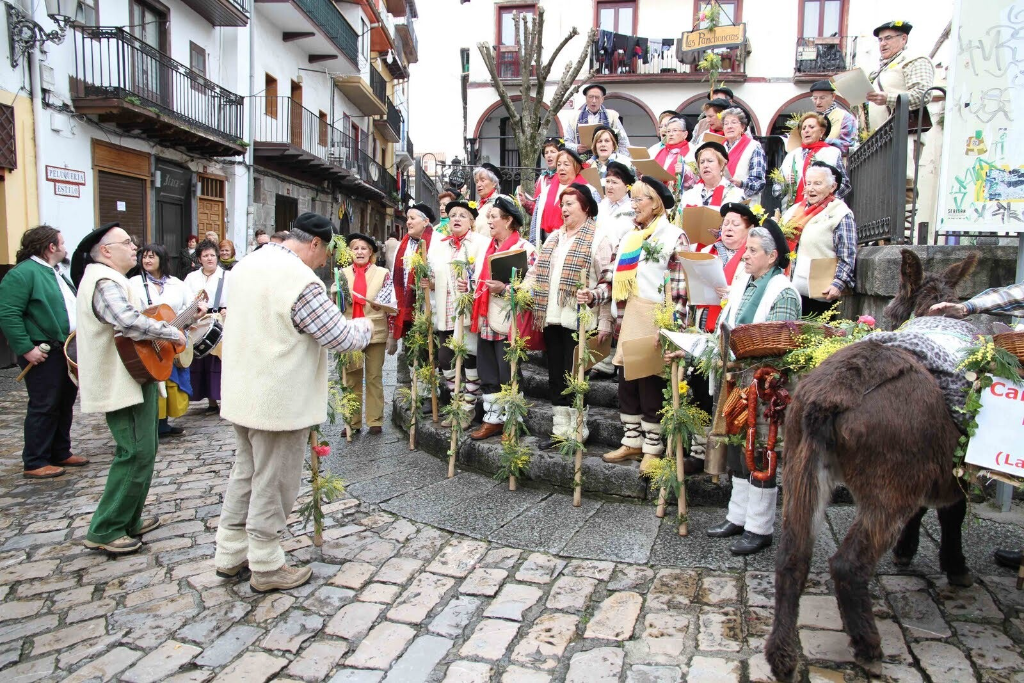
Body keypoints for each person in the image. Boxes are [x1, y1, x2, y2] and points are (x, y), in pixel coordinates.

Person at [215, 213, 374, 591]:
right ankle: (267, 565)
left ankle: (230, 552)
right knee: (274, 481)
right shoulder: (299, 280)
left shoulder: (247, 264)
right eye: (326, 255)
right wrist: (365, 326)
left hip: (243, 392)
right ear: (316, 243)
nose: (324, 264)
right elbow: (338, 337)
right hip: (278, 398)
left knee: (246, 474)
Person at [70, 222, 188, 555]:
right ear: (106, 251)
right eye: (126, 242)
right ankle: (106, 529)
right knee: (134, 451)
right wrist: (169, 332)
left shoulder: (114, 279)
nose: (134, 247)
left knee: (145, 449)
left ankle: (128, 519)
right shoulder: (103, 280)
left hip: (135, 374)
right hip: (121, 380)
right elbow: (128, 322)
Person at [709, 219, 801, 556]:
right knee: (738, 450)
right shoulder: (745, 282)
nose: (744, 256)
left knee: (761, 451)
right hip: (737, 382)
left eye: (752, 251)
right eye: (745, 249)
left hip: (765, 387)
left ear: (772, 256)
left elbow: (783, 344)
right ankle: (738, 516)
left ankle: (759, 527)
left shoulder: (783, 291)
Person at [602, 177, 691, 476]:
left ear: (656, 203)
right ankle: (632, 441)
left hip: (654, 319)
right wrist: (596, 295)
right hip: (628, 320)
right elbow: (614, 278)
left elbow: (680, 288)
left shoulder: (673, 236)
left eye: (640, 199)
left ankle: (653, 447)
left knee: (650, 383)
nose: (634, 205)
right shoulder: (629, 237)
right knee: (627, 382)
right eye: (633, 199)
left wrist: (672, 326)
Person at [523, 184, 614, 450]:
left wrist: (604, 317)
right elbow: (535, 273)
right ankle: (559, 429)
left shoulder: (599, 238)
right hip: (552, 317)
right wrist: (519, 291)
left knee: (575, 376)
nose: (564, 209)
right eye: (562, 204)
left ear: (586, 207)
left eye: (570, 204)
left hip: (580, 321)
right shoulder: (553, 238)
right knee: (555, 375)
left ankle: (577, 429)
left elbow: (609, 282)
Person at [0, 225, 85, 479]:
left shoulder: (56, 271)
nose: (65, 247)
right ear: (51, 247)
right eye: (62, 242)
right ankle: (35, 460)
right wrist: (26, 349)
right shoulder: (23, 274)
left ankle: (60, 451)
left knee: (64, 401)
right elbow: (9, 314)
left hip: (65, 349)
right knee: (44, 405)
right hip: (43, 351)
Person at [464, 195, 537, 440]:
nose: (489, 220)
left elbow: (532, 287)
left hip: (510, 320)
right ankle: (492, 418)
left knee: (509, 371)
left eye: (494, 216)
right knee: (488, 370)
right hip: (486, 316)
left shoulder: (525, 249)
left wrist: (505, 289)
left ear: (508, 221)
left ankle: (512, 421)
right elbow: (479, 279)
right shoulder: (487, 248)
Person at [424, 198, 488, 428]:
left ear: (471, 221)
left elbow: (483, 273)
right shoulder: (439, 244)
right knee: (445, 358)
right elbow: (434, 275)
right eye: (453, 216)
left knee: (469, 357)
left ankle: (467, 407)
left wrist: (470, 284)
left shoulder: (481, 243)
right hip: (446, 310)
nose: (457, 219)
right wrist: (428, 281)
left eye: (462, 215)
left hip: (467, 311)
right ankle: (456, 401)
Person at [128, 243, 195, 439]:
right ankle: (147, 424)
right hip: (145, 339)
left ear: (162, 260)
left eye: (152, 257)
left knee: (169, 380)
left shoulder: (177, 283)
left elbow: (188, 306)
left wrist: (191, 315)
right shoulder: (133, 283)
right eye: (144, 257)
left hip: (169, 341)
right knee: (151, 379)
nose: (147, 260)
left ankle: (163, 423)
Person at [339, 233, 398, 435]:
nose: (360, 252)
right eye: (356, 248)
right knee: (351, 377)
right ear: (350, 252)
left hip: (375, 331)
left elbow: (389, 303)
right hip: (349, 333)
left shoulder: (383, 273)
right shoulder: (342, 274)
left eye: (364, 248)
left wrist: (392, 336)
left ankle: (375, 421)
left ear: (371, 252)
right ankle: (352, 422)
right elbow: (336, 304)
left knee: (374, 376)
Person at [782, 162, 857, 316]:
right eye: (808, 183)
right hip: (788, 290)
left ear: (832, 187)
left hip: (819, 293)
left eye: (817, 183)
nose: (811, 188)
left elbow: (847, 253)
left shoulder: (840, 213)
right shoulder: (794, 210)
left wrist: (839, 283)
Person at [590, 160, 637, 381]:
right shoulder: (601, 206)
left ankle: (622, 361)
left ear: (626, 185)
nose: (609, 186)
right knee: (603, 310)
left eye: (615, 182)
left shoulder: (631, 209)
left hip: (623, 264)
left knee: (621, 313)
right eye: (607, 181)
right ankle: (604, 359)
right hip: (602, 260)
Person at [695, 203, 756, 333]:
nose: (728, 228)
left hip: (734, 320)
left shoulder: (752, 258)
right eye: (726, 223)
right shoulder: (707, 251)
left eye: (735, 224)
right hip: (704, 317)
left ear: (750, 229)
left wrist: (733, 293)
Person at [184, 239, 228, 412]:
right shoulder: (191, 278)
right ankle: (210, 401)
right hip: (197, 320)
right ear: (199, 259)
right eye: (205, 255)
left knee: (218, 362)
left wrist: (228, 310)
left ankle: (224, 399)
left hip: (220, 320)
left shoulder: (226, 276)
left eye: (212, 255)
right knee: (202, 361)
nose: (210, 258)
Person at [778, 112, 851, 208]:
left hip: (824, 212)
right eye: (803, 128)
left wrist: (827, 200)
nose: (806, 131)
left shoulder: (832, 153)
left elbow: (845, 185)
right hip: (793, 213)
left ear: (822, 132)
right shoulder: (790, 156)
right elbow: (776, 191)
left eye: (811, 127)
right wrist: (785, 183)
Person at [391, 203, 435, 356]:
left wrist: (432, 283)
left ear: (425, 221)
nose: (408, 222)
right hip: (406, 306)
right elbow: (394, 277)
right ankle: (405, 377)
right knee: (408, 350)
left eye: (412, 218)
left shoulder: (436, 242)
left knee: (428, 351)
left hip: (428, 306)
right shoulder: (402, 245)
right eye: (407, 218)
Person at [535, 148, 599, 246]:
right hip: (548, 242)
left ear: (576, 167)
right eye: (559, 164)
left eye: (566, 164)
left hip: (577, 242)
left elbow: (596, 219)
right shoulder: (546, 191)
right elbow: (536, 218)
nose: (561, 168)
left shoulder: (588, 191)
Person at [680, 142, 745, 217]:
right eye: (702, 162)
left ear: (722, 165)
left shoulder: (735, 193)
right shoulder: (688, 195)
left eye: (710, 161)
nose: (705, 165)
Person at [565, 84, 630, 156]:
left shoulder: (612, 116)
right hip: (582, 160)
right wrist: (576, 148)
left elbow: (623, 141)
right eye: (590, 97)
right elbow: (567, 142)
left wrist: (621, 159)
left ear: (602, 99)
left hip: (608, 159)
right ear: (586, 98)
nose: (593, 100)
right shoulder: (574, 117)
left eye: (597, 97)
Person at [520, 138, 562, 246]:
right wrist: (525, 203)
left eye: (553, 152)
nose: (549, 155)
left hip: (559, 227)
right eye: (546, 152)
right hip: (542, 231)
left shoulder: (564, 177)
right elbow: (536, 209)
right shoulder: (541, 179)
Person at [721, 108, 766, 202]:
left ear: (742, 127)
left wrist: (741, 183)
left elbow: (759, 182)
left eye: (734, 122)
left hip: (745, 204)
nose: (729, 126)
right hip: (721, 201)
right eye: (726, 123)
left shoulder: (754, 147)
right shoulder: (719, 148)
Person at [809, 80, 858, 155]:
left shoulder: (845, 117)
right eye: (815, 98)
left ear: (833, 97)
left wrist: (820, 142)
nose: (818, 102)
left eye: (822, 98)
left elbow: (848, 146)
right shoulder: (810, 118)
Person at [655, 118, 698, 190]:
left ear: (685, 134)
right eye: (668, 131)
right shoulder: (660, 150)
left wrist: (685, 171)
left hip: (681, 195)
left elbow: (696, 178)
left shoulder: (692, 151)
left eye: (675, 130)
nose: (671, 134)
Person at [472, 163, 501, 236]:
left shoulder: (500, 202)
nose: (478, 184)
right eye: (476, 181)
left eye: (482, 180)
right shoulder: (476, 205)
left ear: (494, 183)